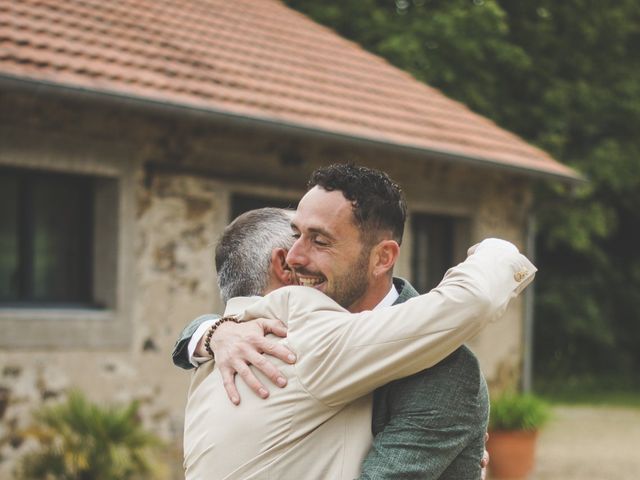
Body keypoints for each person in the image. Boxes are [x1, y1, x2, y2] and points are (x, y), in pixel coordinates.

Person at [176, 164, 536, 478]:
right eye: (297, 235)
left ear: (382, 258)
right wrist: (210, 332)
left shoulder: (445, 371)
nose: (295, 258)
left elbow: (472, 300)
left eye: (319, 241)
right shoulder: (266, 334)